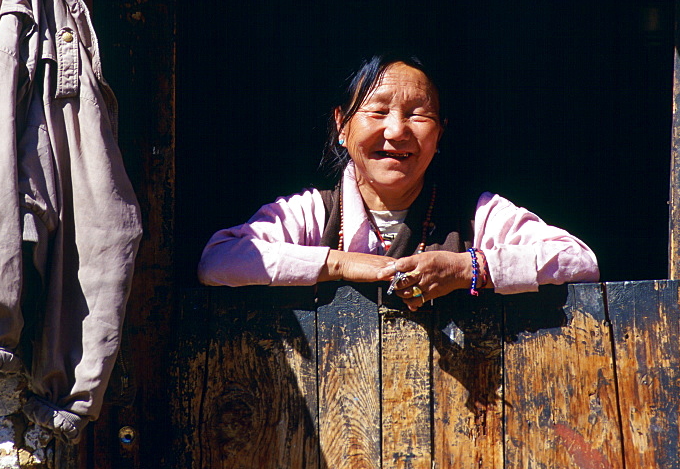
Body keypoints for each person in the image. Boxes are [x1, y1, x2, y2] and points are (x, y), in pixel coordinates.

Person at [197, 54, 598, 310]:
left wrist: (468, 267)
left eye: (417, 115)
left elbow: (581, 261)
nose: (396, 131)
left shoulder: (477, 215)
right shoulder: (312, 213)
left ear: (439, 134)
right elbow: (217, 262)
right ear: (342, 124)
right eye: (378, 111)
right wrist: (340, 263)